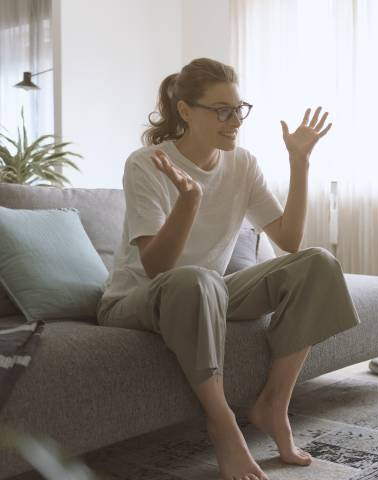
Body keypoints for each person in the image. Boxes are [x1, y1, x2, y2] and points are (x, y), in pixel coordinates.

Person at [96, 57, 361, 480]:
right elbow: (157, 266)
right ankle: (223, 427)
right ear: (185, 111)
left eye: (238, 109)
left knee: (317, 264)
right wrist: (188, 201)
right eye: (222, 110)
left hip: (210, 291)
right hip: (136, 299)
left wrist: (299, 162)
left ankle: (273, 405)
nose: (234, 120)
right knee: (197, 280)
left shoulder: (242, 163)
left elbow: (288, 240)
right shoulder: (146, 163)